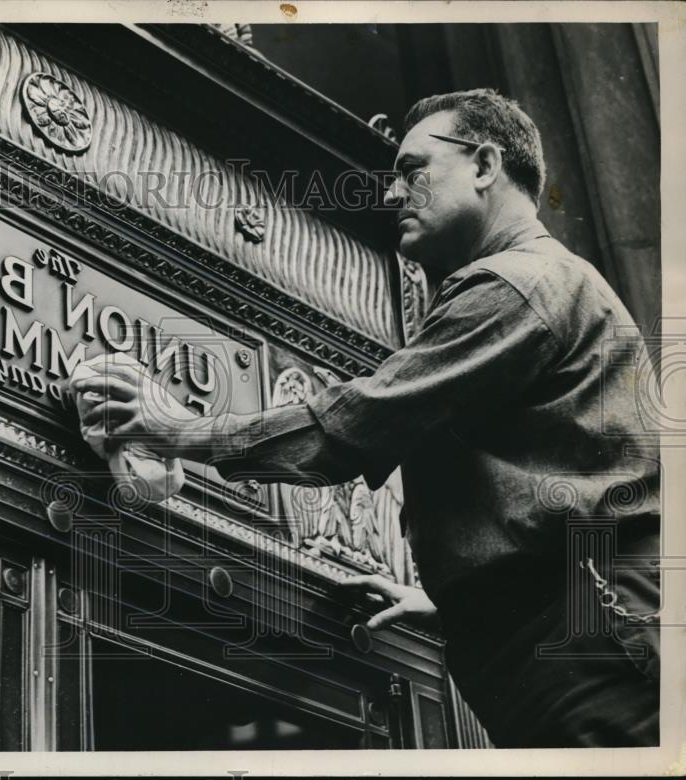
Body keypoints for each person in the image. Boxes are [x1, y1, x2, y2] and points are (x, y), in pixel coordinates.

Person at [71, 89, 660, 748]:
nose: (391, 195)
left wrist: (179, 431)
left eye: (414, 171)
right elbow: (575, 482)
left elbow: (353, 425)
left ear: (486, 165)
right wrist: (460, 603)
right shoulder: (555, 284)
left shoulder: (516, 284)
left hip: (591, 646)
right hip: (583, 639)